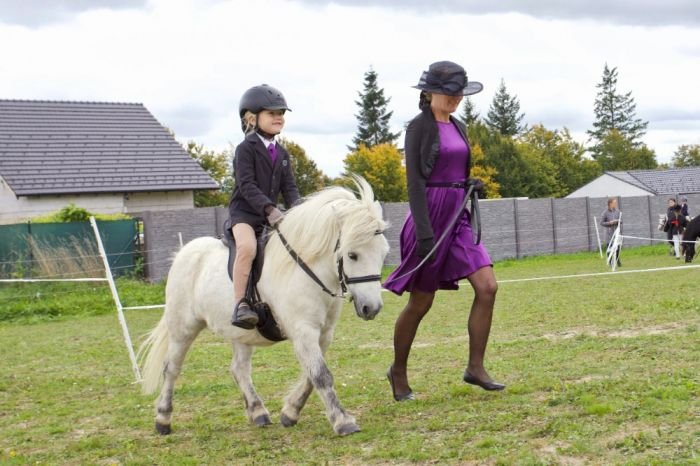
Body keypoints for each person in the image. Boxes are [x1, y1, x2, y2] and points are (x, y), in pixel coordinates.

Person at [383, 61, 504, 402]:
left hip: (458, 215)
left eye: (459, 94)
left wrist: (469, 183)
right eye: (449, 93)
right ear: (429, 92)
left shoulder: (459, 126)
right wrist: (424, 234)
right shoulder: (418, 128)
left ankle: (475, 367)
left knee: (488, 286)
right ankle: (398, 371)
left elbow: (454, 169)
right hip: (429, 219)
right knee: (421, 302)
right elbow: (414, 184)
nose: (456, 99)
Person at [228, 84, 300, 329]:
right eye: (272, 113)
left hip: (271, 215)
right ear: (251, 118)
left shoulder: (282, 153)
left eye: (281, 113)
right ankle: (240, 303)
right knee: (247, 248)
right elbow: (246, 185)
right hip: (245, 215)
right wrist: (270, 209)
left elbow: (289, 188)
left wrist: (300, 212)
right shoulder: (245, 150)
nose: (279, 117)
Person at [600, 198, 622, 267]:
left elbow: (621, 220)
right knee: (610, 248)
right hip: (609, 234)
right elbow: (601, 223)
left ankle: (618, 261)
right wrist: (609, 223)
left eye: (616, 203)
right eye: (614, 203)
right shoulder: (605, 213)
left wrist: (618, 221)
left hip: (617, 233)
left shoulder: (618, 211)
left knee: (618, 247)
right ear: (610, 204)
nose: (615, 204)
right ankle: (609, 261)